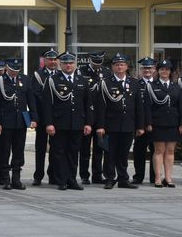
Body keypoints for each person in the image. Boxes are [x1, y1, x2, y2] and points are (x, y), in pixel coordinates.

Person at [39, 52, 91, 191]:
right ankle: (61, 179)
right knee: (59, 152)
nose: (68, 65)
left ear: (75, 65)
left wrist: (87, 123)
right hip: (59, 123)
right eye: (65, 63)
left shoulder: (82, 80)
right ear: (60, 64)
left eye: (71, 63)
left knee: (73, 152)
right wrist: (49, 123)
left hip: (77, 123)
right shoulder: (52, 80)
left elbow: (87, 104)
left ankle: (72, 179)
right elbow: (47, 105)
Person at [95, 53, 146, 189]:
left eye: (122, 64)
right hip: (111, 124)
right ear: (112, 67)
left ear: (126, 66)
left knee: (123, 154)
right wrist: (100, 126)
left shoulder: (134, 83)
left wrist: (140, 126)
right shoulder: (106, 83)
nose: (119, 67)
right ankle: (110, 178)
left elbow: (139, 107)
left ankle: (123, 179)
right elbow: (101, 106)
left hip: (128, 124)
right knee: (110, 153)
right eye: (117, 64)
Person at [0, 58, 35, 190]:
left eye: (17, 70)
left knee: (18, 151)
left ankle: (16, 179)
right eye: (12, 70)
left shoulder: (25, 80)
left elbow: (31, 100)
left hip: (20, 122)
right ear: (7, 68)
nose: (14, 72)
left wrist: (34, 118)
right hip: (5, 122)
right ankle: (5, 180)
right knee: (4, 151)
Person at [146, 59, 180, 188]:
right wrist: (148, 122)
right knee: (159, 150)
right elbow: (148, 107)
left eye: (167, 69)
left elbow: (180, 106)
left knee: (170, 151)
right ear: (158, 71)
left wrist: (181, 123)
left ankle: (168, 177)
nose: (164, 71)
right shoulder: (152, 86)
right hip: (158, 122)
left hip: (173, 123)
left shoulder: (176, 87)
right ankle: (157, 177)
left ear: (170, 72)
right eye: (162, 69)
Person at [30, 50, 60, 185]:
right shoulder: (38, 75)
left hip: (57, 118)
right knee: (40, 148)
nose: (53, 62)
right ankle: (38, 175)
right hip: (42, 118)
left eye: (55, 59)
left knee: (56, 148)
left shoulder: (60, 75)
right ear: (45, 60)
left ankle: (53, 174)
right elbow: (36, 97)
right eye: (50, 59)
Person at [79, 51, 108, 184]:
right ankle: (84, 175)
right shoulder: (81, 72)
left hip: (101, 115)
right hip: (86, 115)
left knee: (99, 147)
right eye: (94, 62)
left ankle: (97, 175)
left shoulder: (106, 72)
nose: (97, 65)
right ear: (90, 60)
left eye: (99, 62)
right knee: (85, 148)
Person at [132, 58, 157, 185]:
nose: (147, 71)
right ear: (141, 70)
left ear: (154, 70)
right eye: (144, 68)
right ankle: (139, 176)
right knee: (139, 151)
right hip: (140, 125)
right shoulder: (136, 84)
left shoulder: (158, 84)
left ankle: (155, 177)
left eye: (150, 68)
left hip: (155, 125)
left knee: (156, 151)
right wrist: (139, 125)